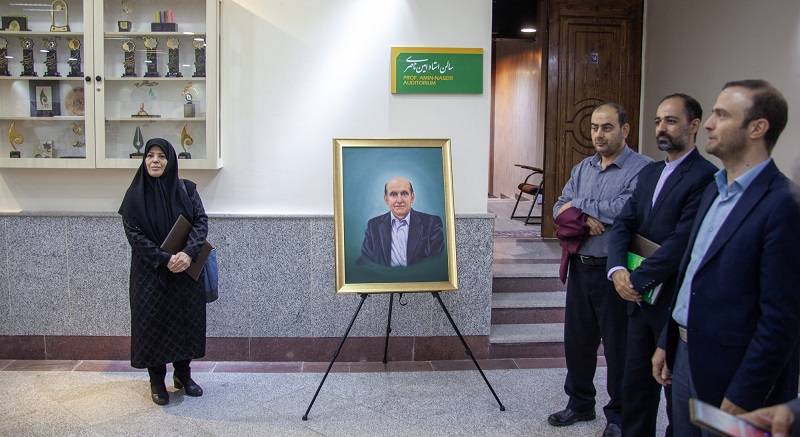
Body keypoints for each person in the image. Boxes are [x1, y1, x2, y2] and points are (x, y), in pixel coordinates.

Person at [652, 80, 800, 436]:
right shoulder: (715, 191)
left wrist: (744, 392)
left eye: (721, 114)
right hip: (684, 356)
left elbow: (782, 319)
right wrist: (667, 341)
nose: (708, 123)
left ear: (757, 128)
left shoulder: (783, 204)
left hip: (733, 373)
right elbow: (691, 275)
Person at [606, 94, 717, 436]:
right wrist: (617, 271)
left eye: (671, 120)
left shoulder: (705, 177)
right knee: (635, 385)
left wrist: (636, 280)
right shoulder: (651, 172)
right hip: (638, 301)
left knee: (672, 390)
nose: (661, 128)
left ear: (694, 125)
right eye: (657, 121)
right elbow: (623, 224)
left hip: (669, 300)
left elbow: (682, 242)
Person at [549, 102, 652, 437]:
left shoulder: (642, 169)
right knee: (577, 341)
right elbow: (557, 207)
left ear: (625, 129)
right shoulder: (583, 168)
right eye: (595, 127)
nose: (599, 134)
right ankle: (580, 403)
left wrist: (579, 207)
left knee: (619, 348)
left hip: (616, 272)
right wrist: (583, 216)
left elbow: (625, 209)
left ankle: (618, 415)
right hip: (581, 267)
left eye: (607, 127)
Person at [119, 138, 209, 406]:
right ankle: (157, 380)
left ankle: (183, 375)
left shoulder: (187, 190)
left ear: (170, 161)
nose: (155, 160)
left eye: (161, 156)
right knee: (152, 324)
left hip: (185, 271)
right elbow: (134, 236)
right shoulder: (133, 195)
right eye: (150, 155)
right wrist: (165, 258)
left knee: (185, 322)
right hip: (150, 274)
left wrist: (187, 253)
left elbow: (201, 222)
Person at [357, 176, 444, 266]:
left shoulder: (432, 224)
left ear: (412, 197)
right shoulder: (373, 226)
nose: (399, 200)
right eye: (393, 194)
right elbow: (365, 261)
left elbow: (436, 263)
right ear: (386, 199)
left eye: (404, 193)